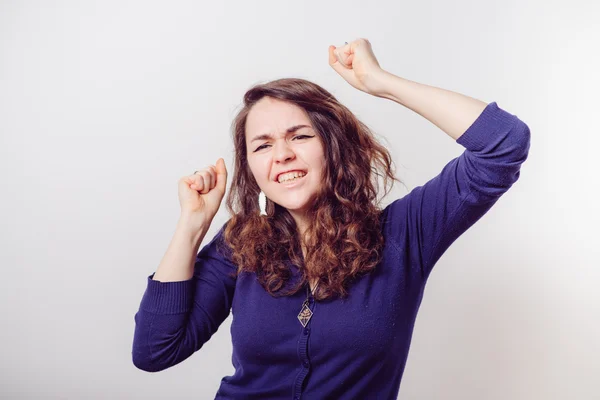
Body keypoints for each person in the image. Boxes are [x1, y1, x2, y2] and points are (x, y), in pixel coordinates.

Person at [132, 38, 531, 399]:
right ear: (252, 167)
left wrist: (382, 83)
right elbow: (154, 351)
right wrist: (192, 226)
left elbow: (503, 145)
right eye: (263, 144)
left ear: (334, 146)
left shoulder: (404, 233)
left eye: (300, 136)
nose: (282, 154)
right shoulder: (240, 243)